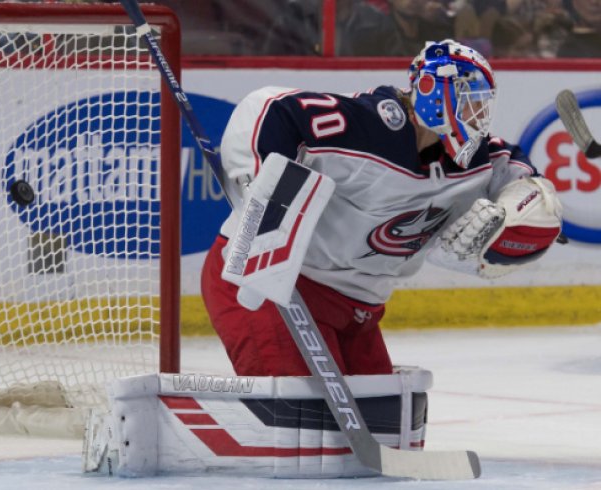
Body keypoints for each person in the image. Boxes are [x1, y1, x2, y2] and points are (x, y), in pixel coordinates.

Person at [201, 39, 564, 377]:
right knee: (302, 429)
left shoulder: (480, 159)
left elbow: (528, 186)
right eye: (469, 99)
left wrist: (527, 213)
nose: (477, 114)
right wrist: (259, 192)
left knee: (386, 421)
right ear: (431, 91)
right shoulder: (370, 126)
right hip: (273, 288)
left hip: (358, 309)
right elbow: (270, 108)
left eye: (483, 103)